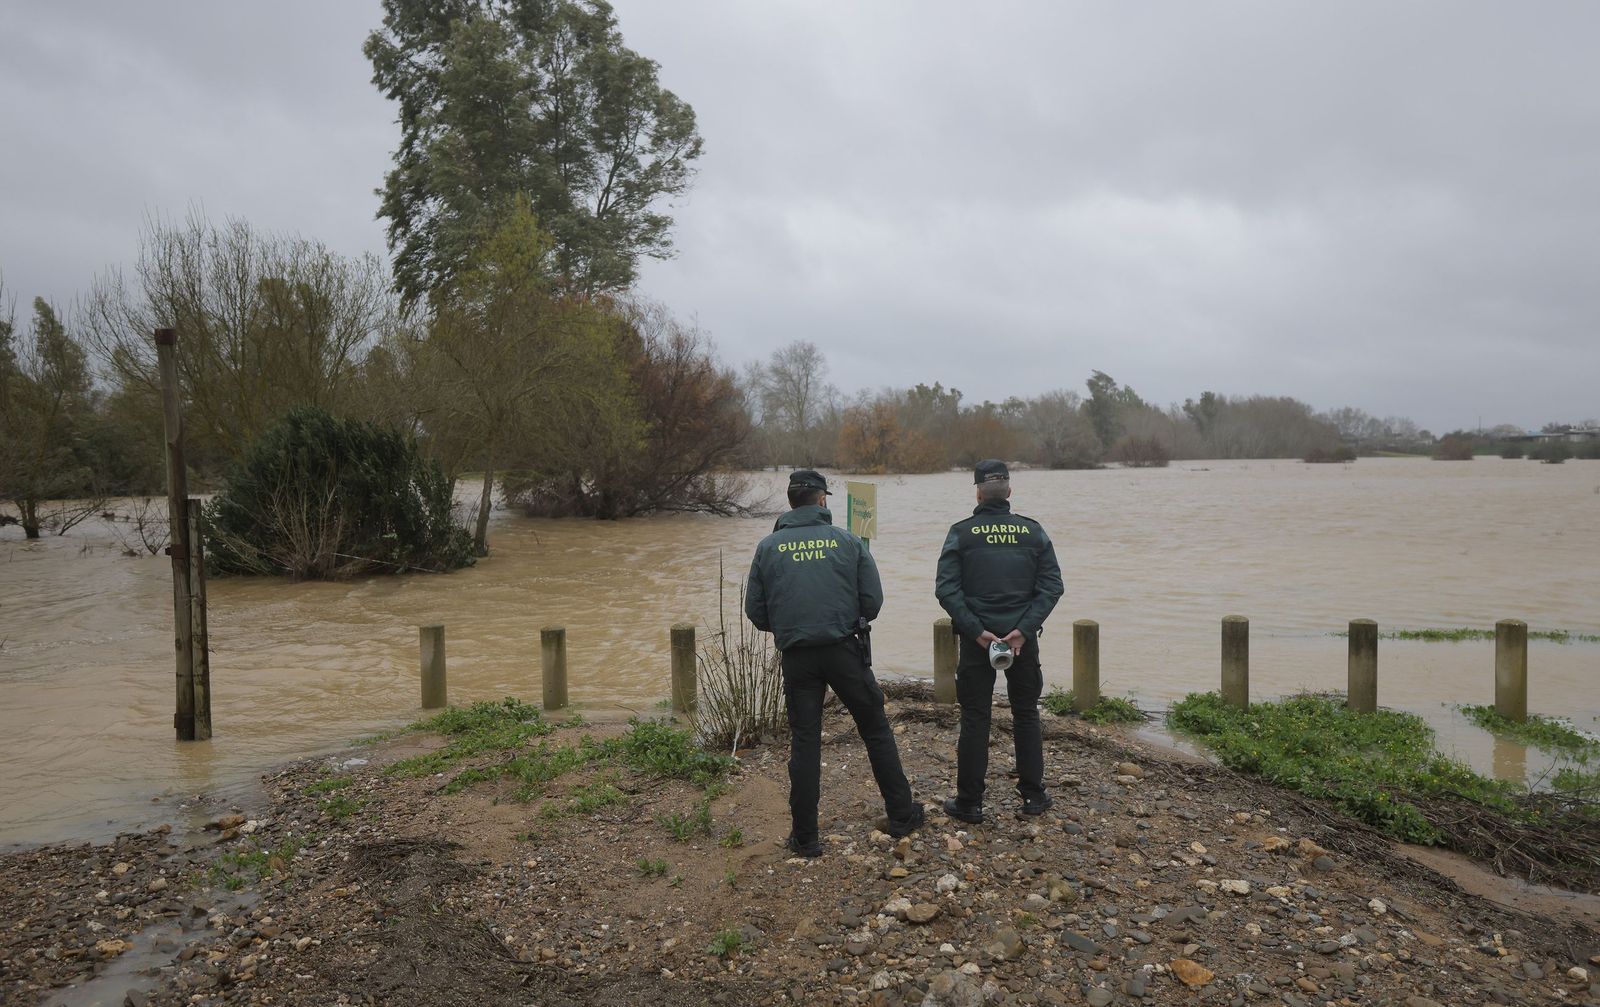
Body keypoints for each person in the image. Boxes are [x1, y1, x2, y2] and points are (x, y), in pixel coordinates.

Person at [745, 469, 925, 856]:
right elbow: (872, 603)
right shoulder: (847, 541)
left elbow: (756, 613)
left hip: (797, 657)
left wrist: (791, 625)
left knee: (805, 741)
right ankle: (901, 814)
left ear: (791, 502)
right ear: (823, 500)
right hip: (845, 650)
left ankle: (806, 838)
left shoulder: (767, 547)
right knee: (875, 728)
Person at [935, 459, 1064, 823]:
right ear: (1009, 491)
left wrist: (977, 631)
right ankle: (1033, 797)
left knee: (976, 716)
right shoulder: (1032, 531)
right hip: (1022, 640)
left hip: (979, 643)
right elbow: (1052, 585)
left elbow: (946, 589)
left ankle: (970, 803)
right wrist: (1023, 629)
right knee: (1026, 713)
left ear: (977, 492)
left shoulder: (961, 533)